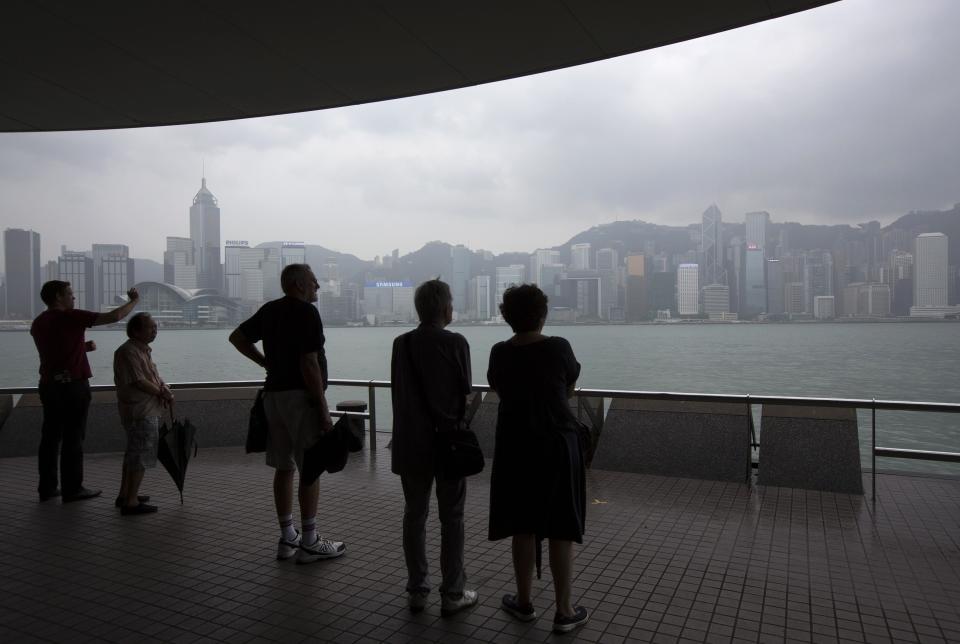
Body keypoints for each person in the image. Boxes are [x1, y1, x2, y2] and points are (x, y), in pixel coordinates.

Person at [487, 284, 589, 634]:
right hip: (558, 445)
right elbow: (569, 386)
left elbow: (500, 389)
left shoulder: (499, 353)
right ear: (542, 315)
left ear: (506, 317)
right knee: (561, 525)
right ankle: (564, 610)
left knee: (522, 524)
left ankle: (524, 601)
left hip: (516, 445)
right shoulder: (559, 347)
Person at [229, 263, 346, 564]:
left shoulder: (270, 310)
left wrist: (266, 363)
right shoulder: (306, 313)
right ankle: (309, 542)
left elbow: (238, 338)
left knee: (284, 467)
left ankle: (288, 537)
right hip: (300, 399)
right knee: (310, 467)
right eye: (313, 281)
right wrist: (322, 409)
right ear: (297, 284)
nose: (318, 286)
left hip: (273, 397)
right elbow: (309, 364)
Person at [390, 279, 478, 616]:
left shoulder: (402, 343)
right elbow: (463, 392)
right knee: (451, 518)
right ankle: (452, 593)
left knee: (414, 515)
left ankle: (417, 590)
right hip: (448, 444)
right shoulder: (456, 342)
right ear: (444, 308)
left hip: (410, 444)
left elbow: (400, 391)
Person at [31, 280, 139, 503]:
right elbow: (114, 316)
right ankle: (73, 489)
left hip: (49, 385)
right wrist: (134, 301)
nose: (74, 298)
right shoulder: (70, 316)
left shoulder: (39, 322)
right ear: (58, 297)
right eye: (70, 294)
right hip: (72, 386)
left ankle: (47, 488)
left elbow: (55, 350)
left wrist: (82, 348)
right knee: (73, 437)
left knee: (50, 438)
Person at [113, 312, 172, 515]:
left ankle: (126, 494)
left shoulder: (142, 351)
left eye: (155, 327)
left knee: (133, 453)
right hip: (141, 411)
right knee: (140, 456)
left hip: (143, 409)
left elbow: (152, 376)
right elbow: (139, 381)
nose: (155, 330)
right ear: (136, 331)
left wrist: (162, 386)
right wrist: (162, 392)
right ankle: (131, 502)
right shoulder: (129, 352)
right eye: (150, 327)